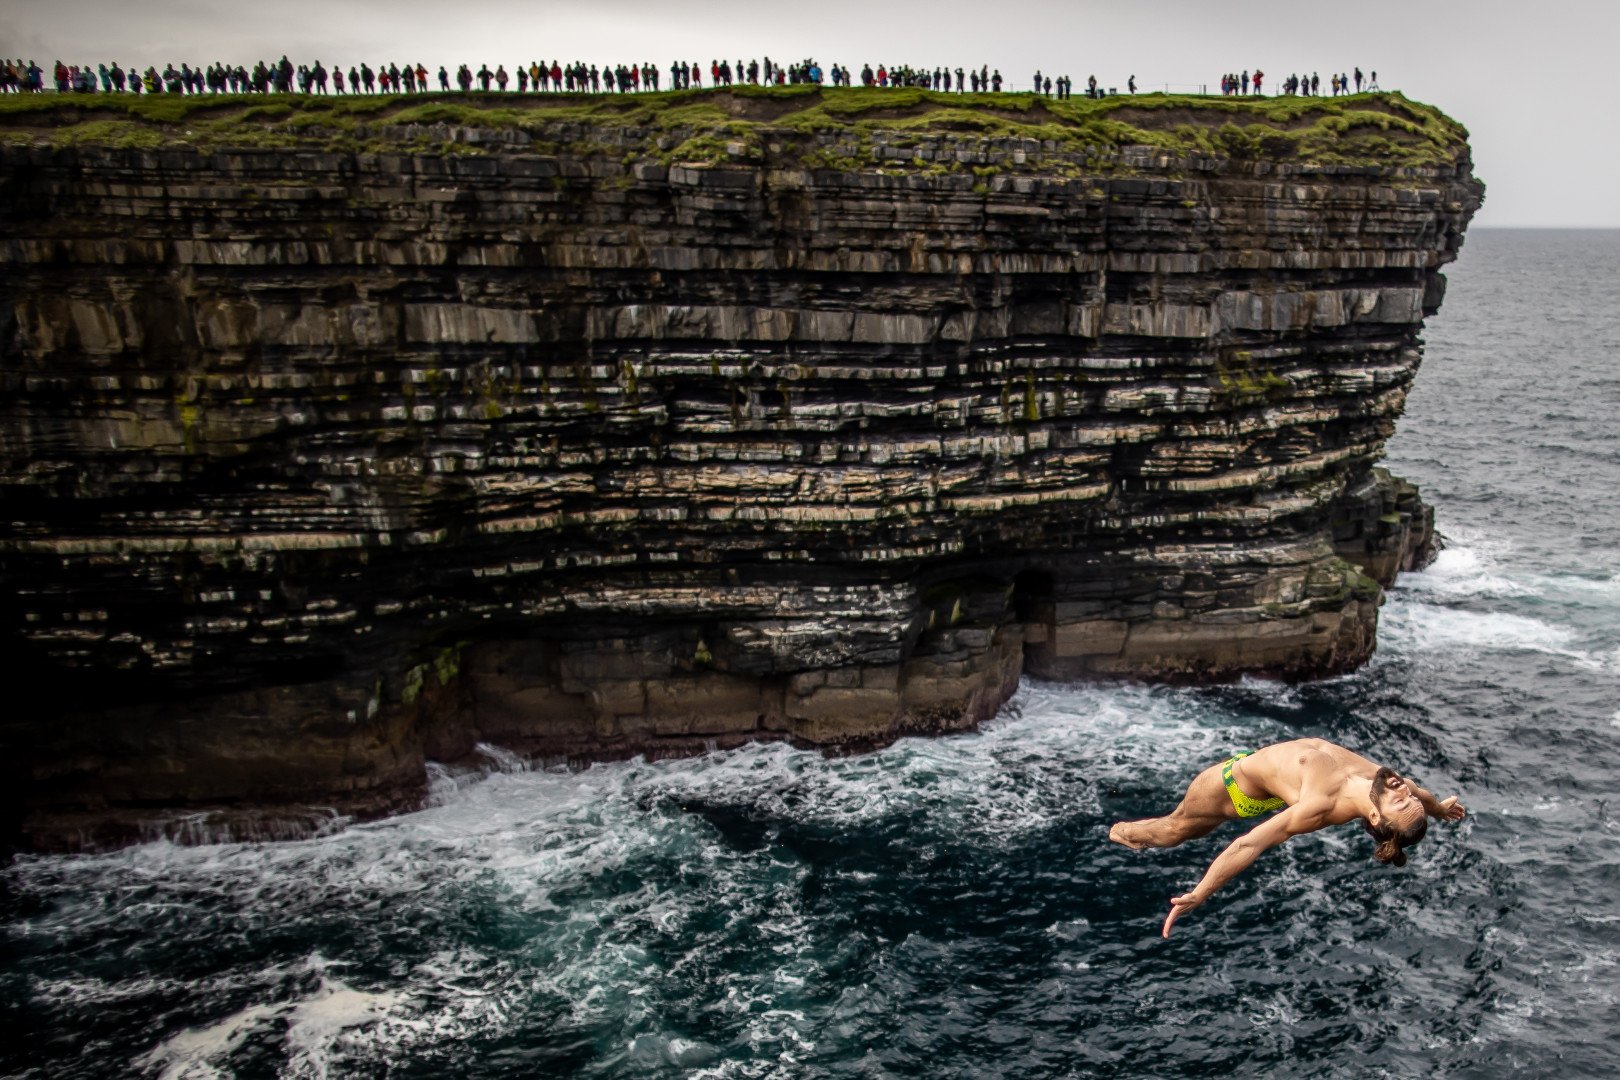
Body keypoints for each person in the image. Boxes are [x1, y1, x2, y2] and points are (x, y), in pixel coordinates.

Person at [1109, 738, 1466, 937]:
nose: (1402, 788)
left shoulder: (1321, 806)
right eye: (1406, 795)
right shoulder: (1389, 784)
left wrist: (1200, 893)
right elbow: (1424, 797)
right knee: (1181, 830)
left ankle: (1123, 832)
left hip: (1233, 789)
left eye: (1400, 800)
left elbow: (1249, 844)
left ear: (1375, 815)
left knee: (1173, 830)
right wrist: (1439, 810)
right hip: (1274, 777)